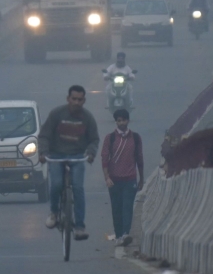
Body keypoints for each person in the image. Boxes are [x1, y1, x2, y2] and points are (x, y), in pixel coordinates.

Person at [39, 85, 100, 241]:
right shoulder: (57, 114)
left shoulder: (87, 118)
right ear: (68, 99)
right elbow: (44, 135)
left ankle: (79, 226)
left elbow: (94, 139)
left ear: (84, 101)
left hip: (77, 157)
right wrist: (43, 152)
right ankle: (53, 212)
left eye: (80, 100)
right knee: (57, 184)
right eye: (74, 99)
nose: (76, 102)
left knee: (78, 188)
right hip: (56, 156)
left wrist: (91, 153)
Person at [101, 109, 145, 246]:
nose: (121, 123)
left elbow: (139, 159)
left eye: (123, 120)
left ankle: (126, 233)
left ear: (128, 121)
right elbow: (104, 159)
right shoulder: (110, 138)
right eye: (119, 120)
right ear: (116, 122)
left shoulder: (136, 138)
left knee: (127, 208)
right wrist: (107, 178)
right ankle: (119, 235)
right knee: (116, 209)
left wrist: (141, 178)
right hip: (114, 181)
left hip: (130, 180)